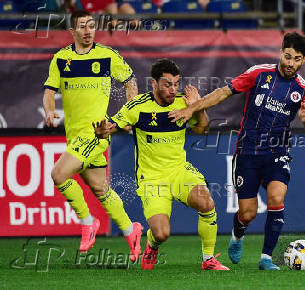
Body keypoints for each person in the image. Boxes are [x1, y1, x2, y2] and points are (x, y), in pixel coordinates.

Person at [169, 32, 305, 270]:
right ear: (281, 52)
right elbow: (224, 92)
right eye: (288, 56)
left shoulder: (303, 90)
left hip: (277, 153)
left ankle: (266, 259)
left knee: (276, 198)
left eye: (297, 59)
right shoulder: (259, 73)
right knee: (248, 213)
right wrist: (193, 108)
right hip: (247, 152)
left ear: (304, 60)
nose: (290, 63)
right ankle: (237, 236)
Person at [93, 58, 229, 271]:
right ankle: (152, 245)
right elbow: (111, 127)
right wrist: (102, 132)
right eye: (167, 84)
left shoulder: (183, 102)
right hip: (152, 178)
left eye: (176, 84)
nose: (173, 89)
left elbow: (202, 130)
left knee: (206, 203)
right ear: (154, 84)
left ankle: (208, 259)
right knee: (161, 233)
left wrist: (196, 107)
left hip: (179, 171)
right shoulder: (137, 107)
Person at [42, 10, 142, 261]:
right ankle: (132, 231)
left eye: (91, 26)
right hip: (74, 136)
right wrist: (51, 112)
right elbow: (49, 91)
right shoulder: (61, 58)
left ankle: (88, 222)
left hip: (96, 134)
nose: (88, 31)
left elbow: (130, 81)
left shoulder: (108, 56)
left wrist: (128, 114)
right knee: (100, 188)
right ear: (72, 31)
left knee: (58, 174)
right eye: (82, 27)